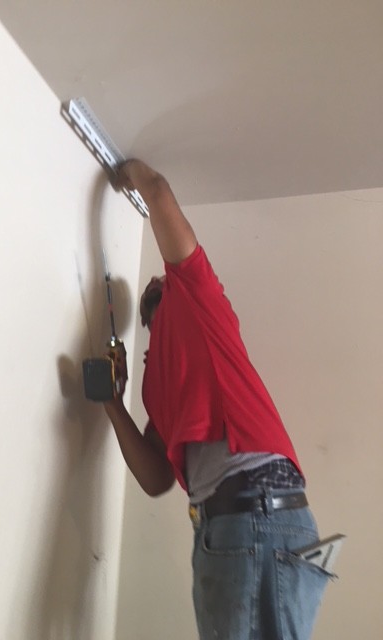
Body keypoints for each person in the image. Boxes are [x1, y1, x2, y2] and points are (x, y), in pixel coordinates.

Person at [103, 159, 332, 640]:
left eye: (158, 278)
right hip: (236, 527)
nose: (154, 279)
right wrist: (112, 402)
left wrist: (132, 175)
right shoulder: (162, 384)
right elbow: (156, 477)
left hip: (254, 517)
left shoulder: (200, 302)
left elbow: (159, 191)